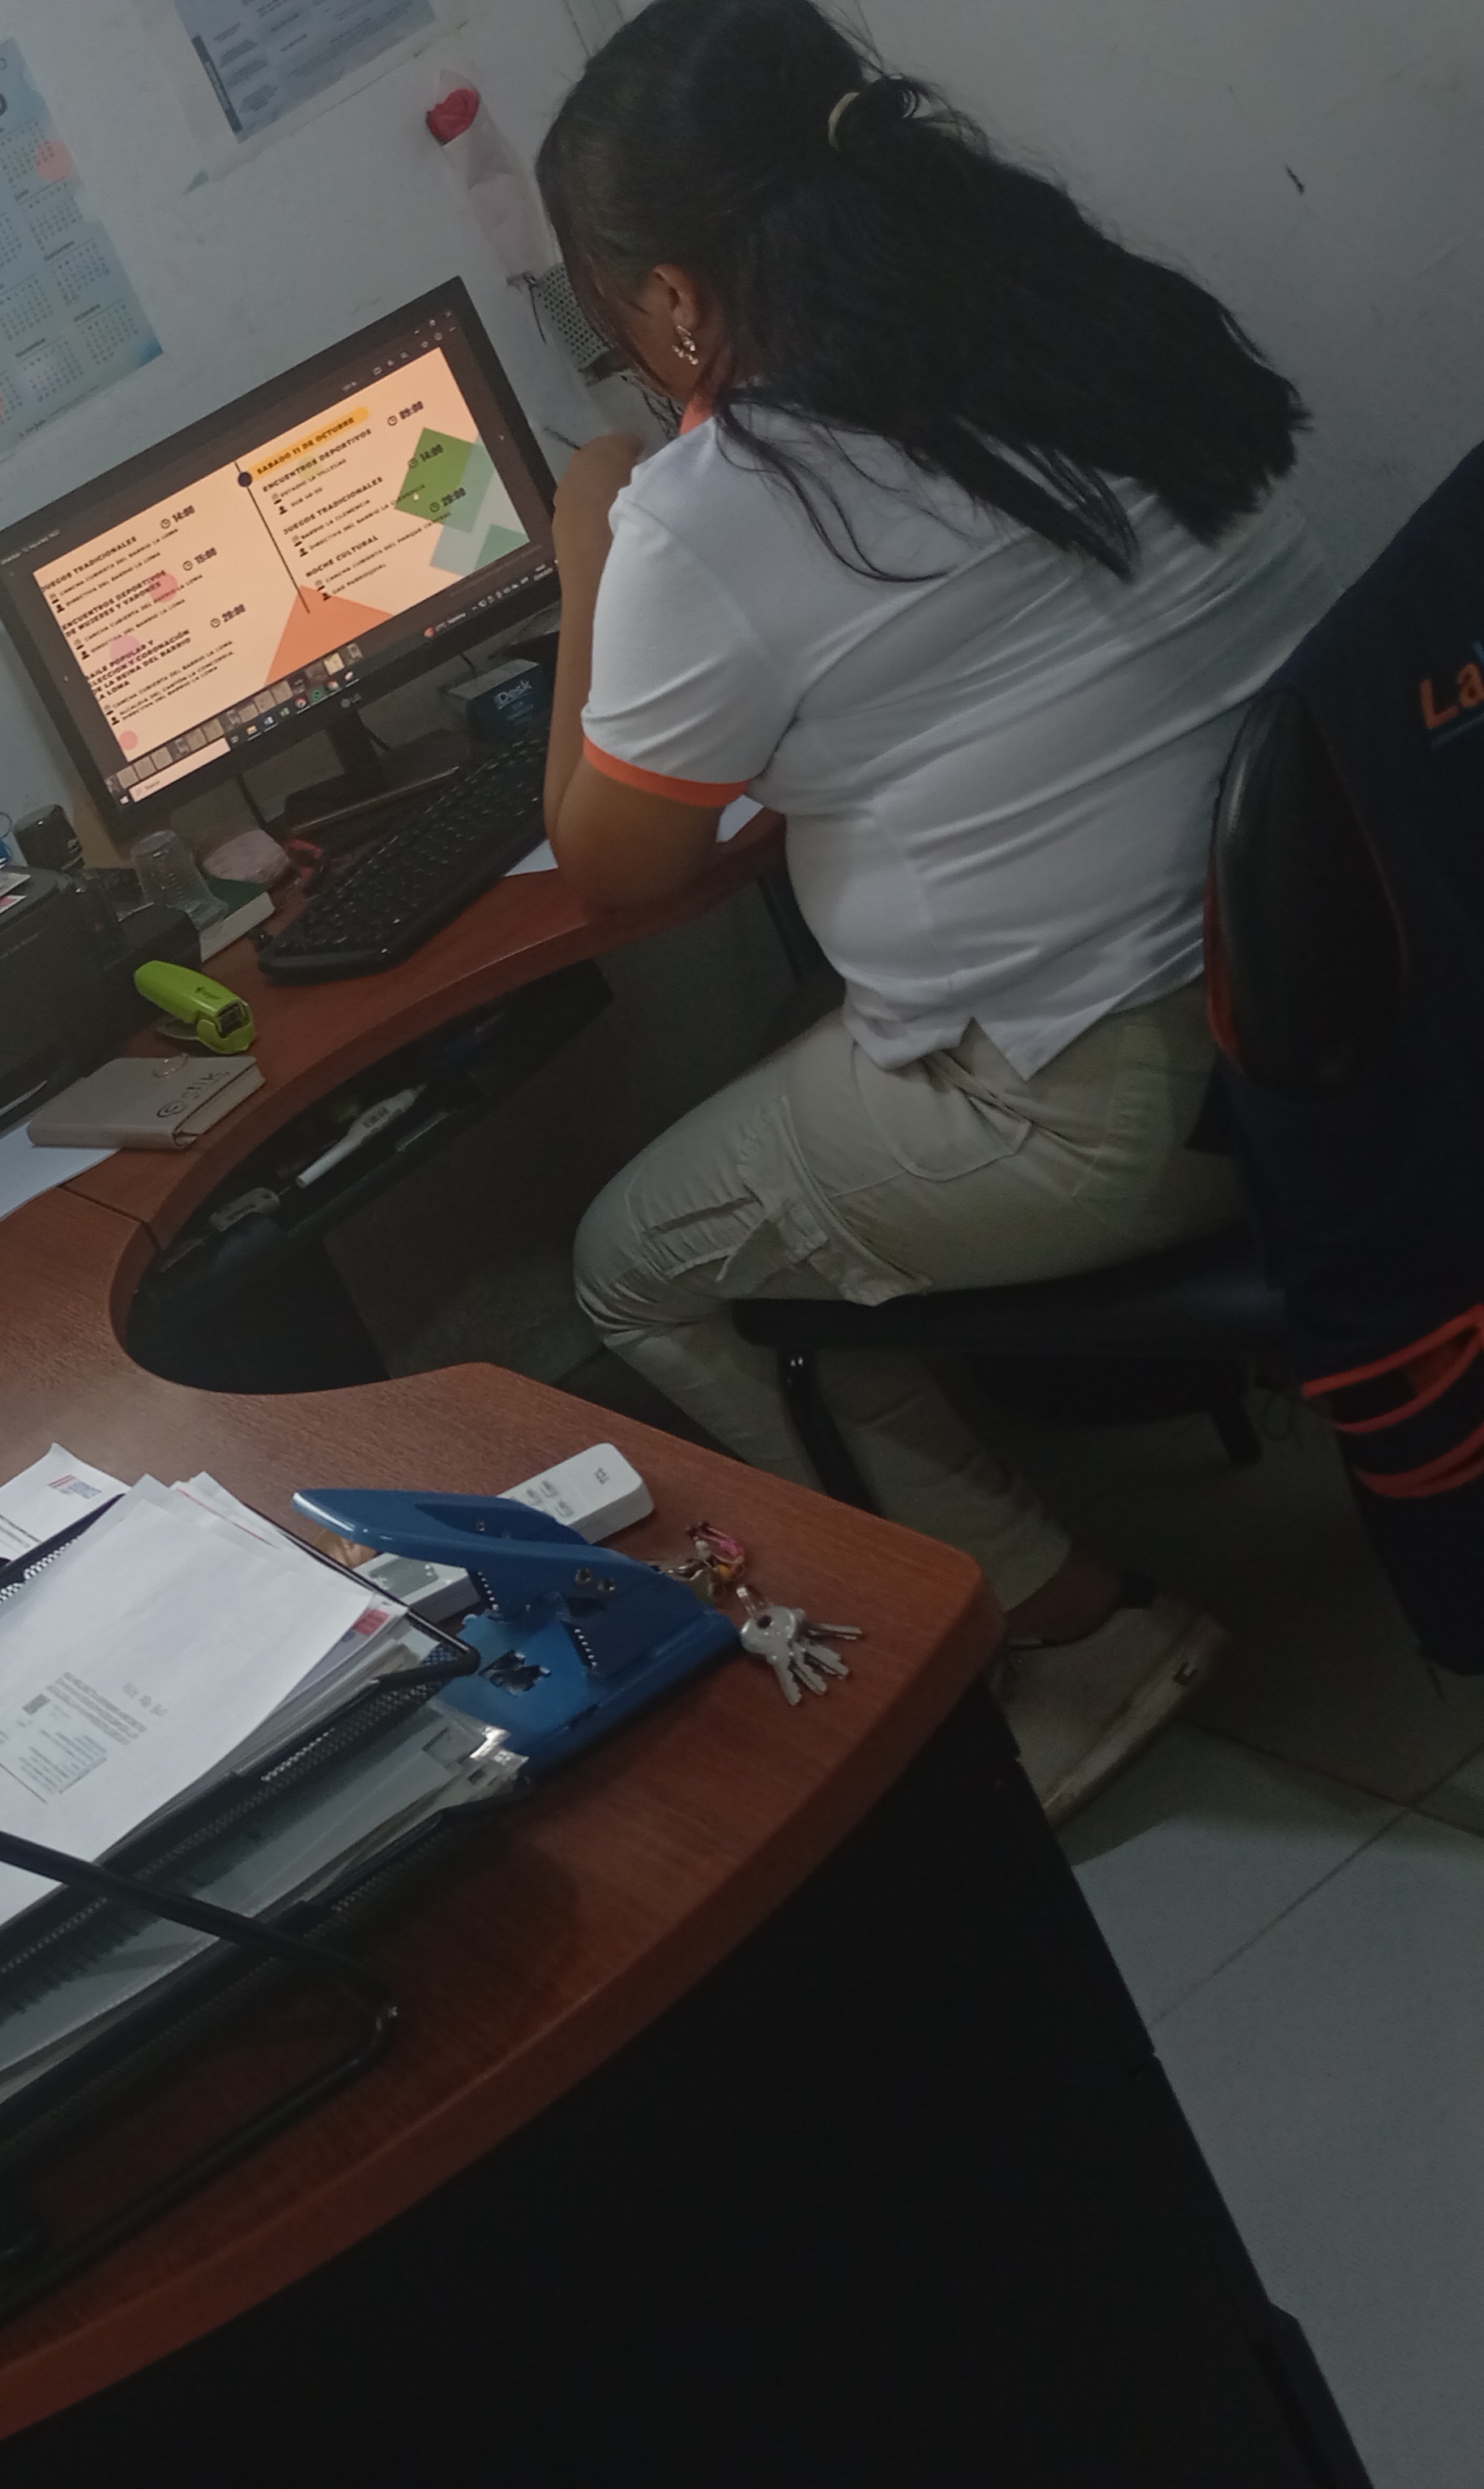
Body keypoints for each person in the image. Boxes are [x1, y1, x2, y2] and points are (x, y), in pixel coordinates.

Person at [531, 0, 1333, 1820]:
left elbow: (615, 864)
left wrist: (591, 541)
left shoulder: (718, 506)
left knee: (637, 1260)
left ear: (675, 300)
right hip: (1352, 1002)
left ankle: (1081, 1626)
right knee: (807, 1045)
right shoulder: (1074, 303)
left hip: (1130, 1114)